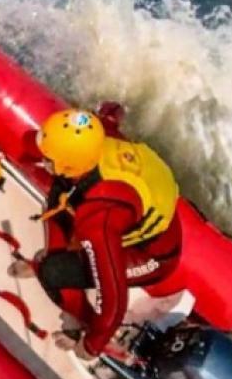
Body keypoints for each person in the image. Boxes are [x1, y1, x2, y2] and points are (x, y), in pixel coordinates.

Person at [32, 108, 186, 360]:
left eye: (48, 157)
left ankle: (82, 322)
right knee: (58, 195)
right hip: (136, 220)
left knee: (53, 271)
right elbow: (110, 114)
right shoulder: (100, 139)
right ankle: (62, 263)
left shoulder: (99, 220)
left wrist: (92, 346)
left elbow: (113, 297)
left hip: (150, 256)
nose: (43, 160)